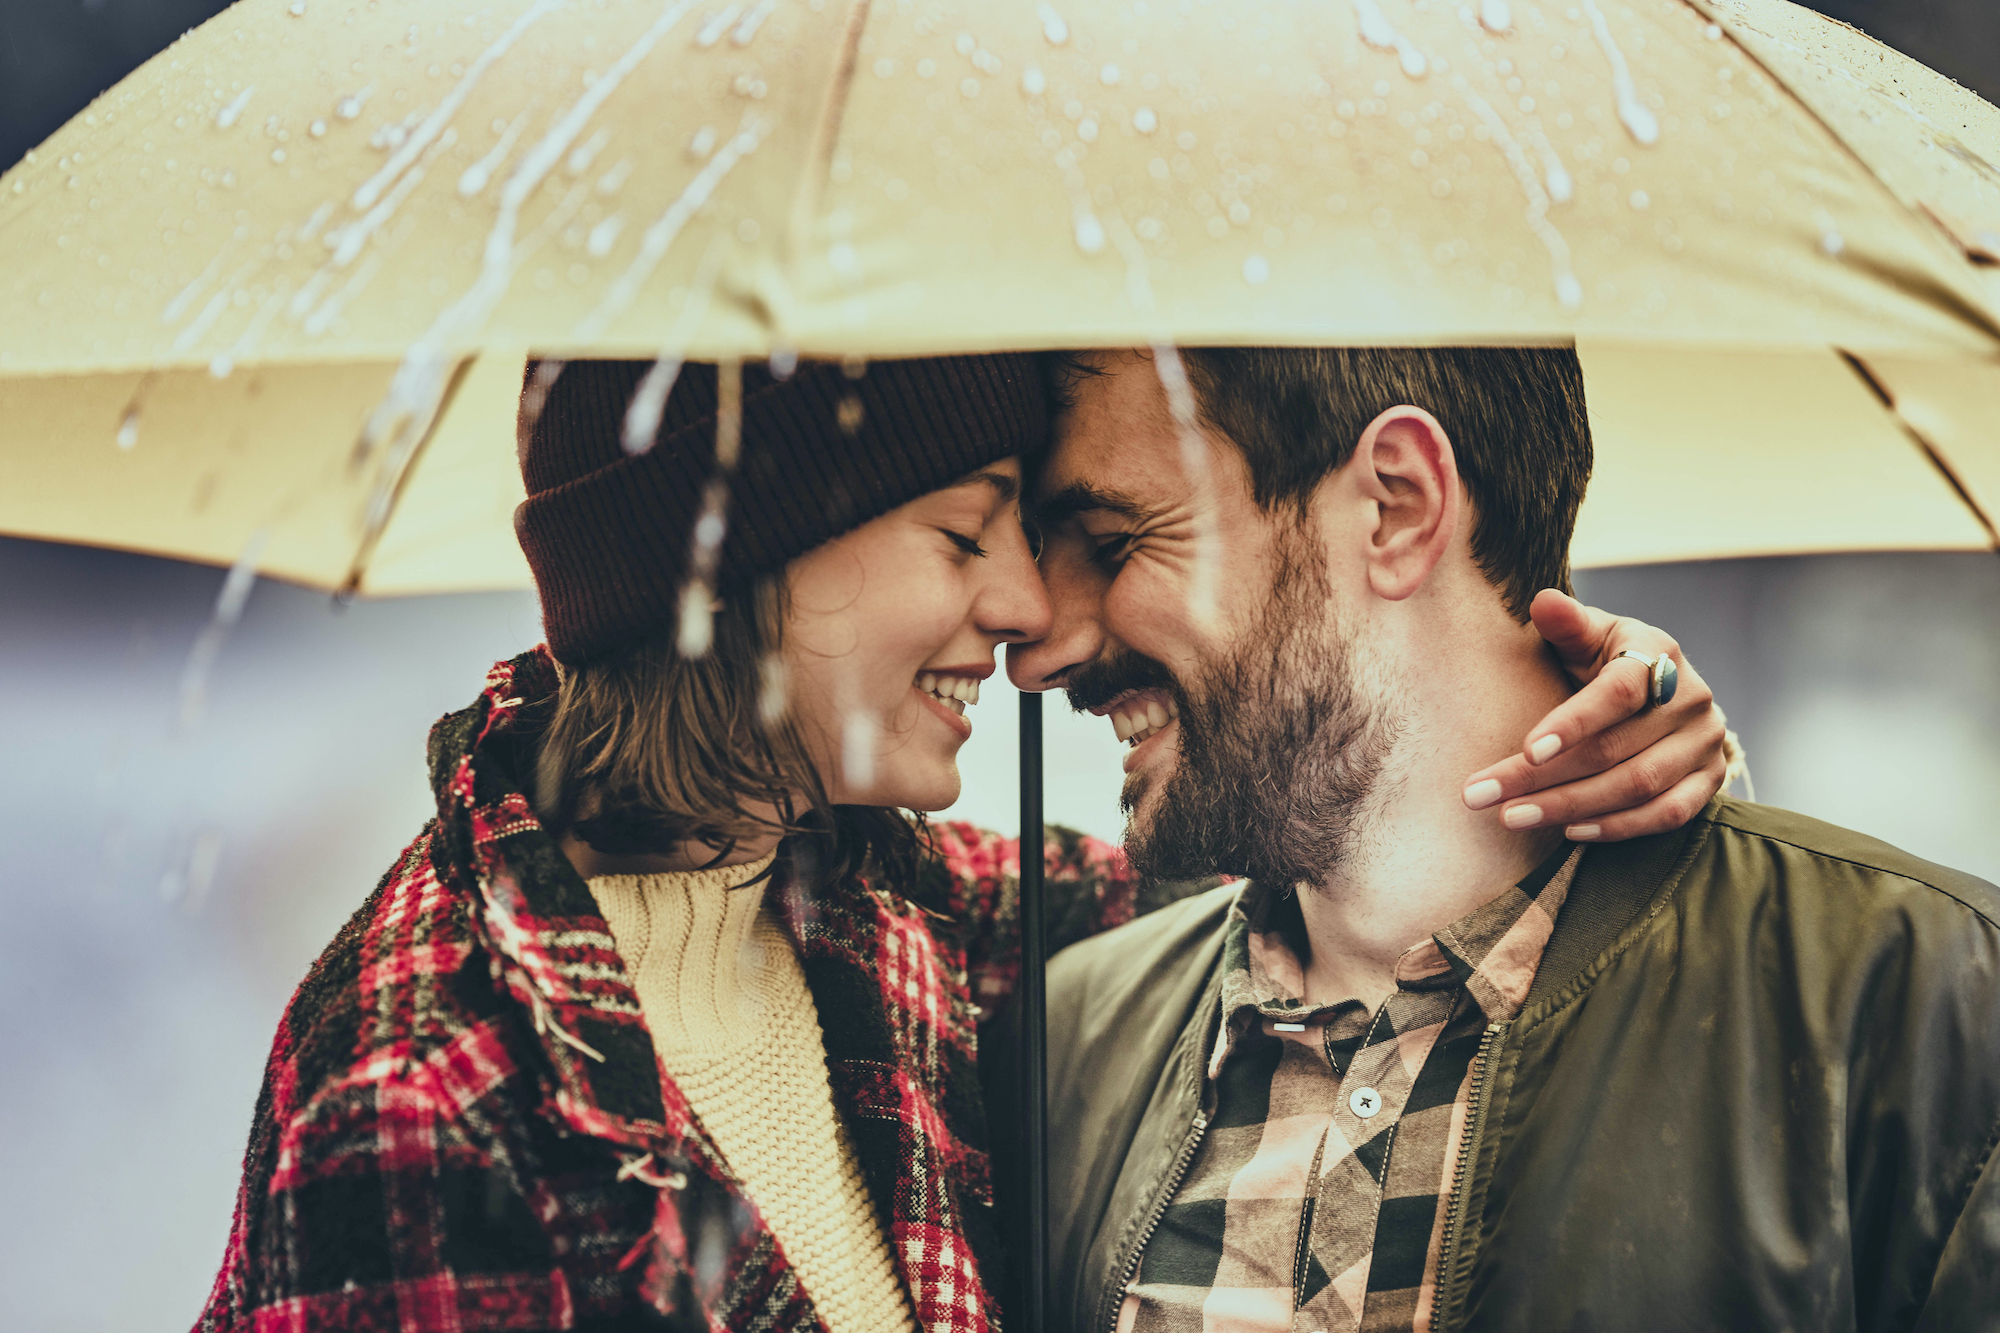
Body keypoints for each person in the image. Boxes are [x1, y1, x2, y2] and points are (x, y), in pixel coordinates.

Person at [196, 352, 1723, 1333]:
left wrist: (1578, 710)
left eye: (1058, 539)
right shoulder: (424, 1095)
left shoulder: (891, 909)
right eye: (964, 532)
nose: (1024, 613)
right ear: (738, 568)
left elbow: (1307, 840)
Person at [1003, 347, 2000, 1333]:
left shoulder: (1926, 1005)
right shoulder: (1059, 1043)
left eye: (1112, 541)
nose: (1037, 652)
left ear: (1395, 504)